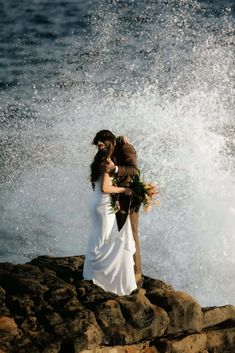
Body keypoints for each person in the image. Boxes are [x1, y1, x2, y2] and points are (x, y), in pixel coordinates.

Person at [83, 131, 137, 295]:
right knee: (104, 239)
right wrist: (125, 189)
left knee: (97, 236)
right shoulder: (107, 161)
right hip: (104, 205)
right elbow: (105, 188)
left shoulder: (97, 160)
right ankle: (99, 275)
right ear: (111, 143)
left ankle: (91, 272)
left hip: (95, 202)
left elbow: (98, 186)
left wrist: (122, 142)